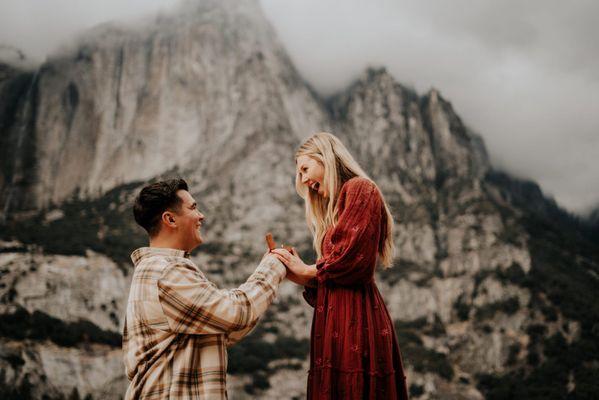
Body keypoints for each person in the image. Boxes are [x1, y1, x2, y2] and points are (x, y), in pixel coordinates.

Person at [271, 132, 409, 399]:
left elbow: (352, 261)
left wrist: (309, 270)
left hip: (356, 320)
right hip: (337, 320)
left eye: (305, 169)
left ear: (326, 158)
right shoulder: (340, 203)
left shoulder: (360, 188)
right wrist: (298, 272)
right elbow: (335, 272)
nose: (302, 180)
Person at [123, 178, 286, 400]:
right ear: (170, 219)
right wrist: (274, 265)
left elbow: (223, 330)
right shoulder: (165, 271)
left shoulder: (159, 269)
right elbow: (235, 313)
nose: (201, 216)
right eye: (193, 208)